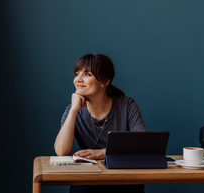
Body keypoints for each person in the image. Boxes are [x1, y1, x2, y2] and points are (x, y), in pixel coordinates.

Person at [54, 54, 147, 193]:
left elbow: (143, 143)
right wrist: (74, 110)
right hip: (88, 178)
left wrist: (101, 153)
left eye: (87, 74)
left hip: (123, 177)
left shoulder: (127, 105)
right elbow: (61, 151)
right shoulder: (72, 111)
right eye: (77, 74)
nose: (78, 79)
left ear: (104, 81)